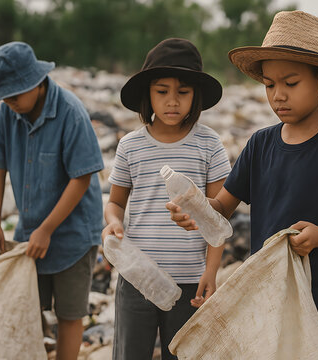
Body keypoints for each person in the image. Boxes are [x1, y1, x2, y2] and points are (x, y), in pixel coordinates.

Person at [166, 11, 318, 359]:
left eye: (290, 83)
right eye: (269, 85)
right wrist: (195, 210)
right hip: (264, 302)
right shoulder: (261, 144)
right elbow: (221, 208)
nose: (278, 95)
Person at [103, 38, 231, 360]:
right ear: (148, 93)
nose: (172, 101)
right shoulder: (130, 146)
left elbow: (219, 218)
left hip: (191, 281)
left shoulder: (209, 144)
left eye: (183, 92)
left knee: (186, 354)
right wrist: (114, 224)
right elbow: (115, 202)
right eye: (162, 92)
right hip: (137, 276)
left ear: (196, 96)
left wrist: (211, 272)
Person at [0, 41, 104, 360]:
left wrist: (47, 229)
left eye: (15, 95)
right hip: (30, 229)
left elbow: (82, 178)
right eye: (5, 97)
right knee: (25, 308)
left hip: (74, 234)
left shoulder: (71, 113)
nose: (10, 102)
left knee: (69, 314)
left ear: (36, 83)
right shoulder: (9, 113)